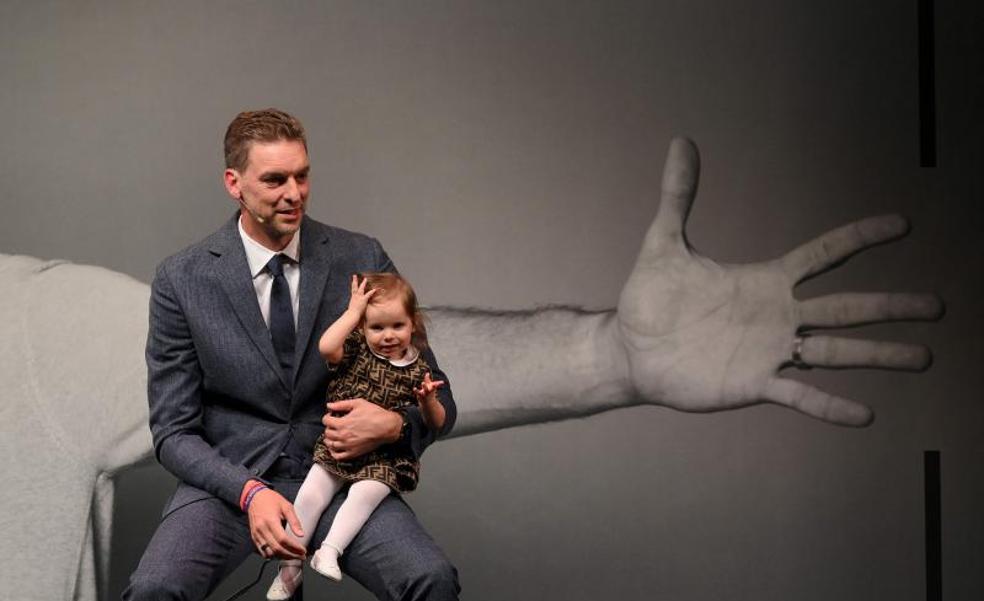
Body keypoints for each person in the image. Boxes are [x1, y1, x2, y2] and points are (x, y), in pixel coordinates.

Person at [124, 108, 460, 601]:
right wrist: (249, 492)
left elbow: (437, 393)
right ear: (233, 183)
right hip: (231, 482)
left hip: (341, 473)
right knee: (153, 590)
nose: (294, 193)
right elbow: (173, 432)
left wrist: (395, 426)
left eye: (302, 176)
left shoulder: (360, 257)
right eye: (275, 179)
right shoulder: (182, 279)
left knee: (430, 579)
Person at [267, 272, 446, 599]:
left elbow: (437, 421)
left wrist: (428, 401)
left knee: (365, 495)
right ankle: (290, 565)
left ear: (413, 325)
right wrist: (353, 312)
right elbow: (326, 346)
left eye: (398, 326)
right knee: (311, 495)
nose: (388, 336)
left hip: (383, 458)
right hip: (339, 445)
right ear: (363, 328)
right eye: (377, 327)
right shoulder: (356, 350)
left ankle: (329, 551)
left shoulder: (419, 369)